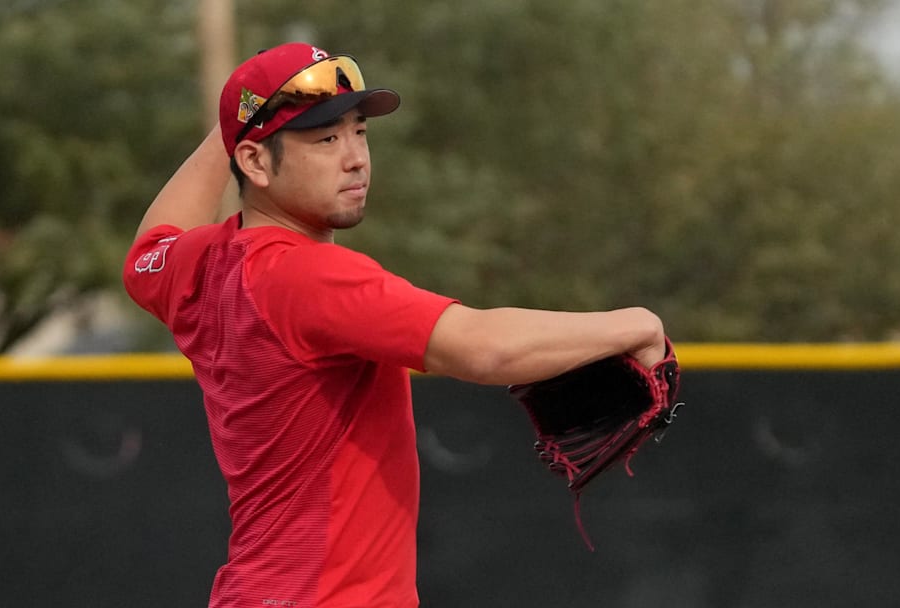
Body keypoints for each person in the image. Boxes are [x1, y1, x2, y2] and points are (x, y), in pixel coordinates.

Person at [123, 41, 666, 608]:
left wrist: (234, 122)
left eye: (360, 131)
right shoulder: (306, 276)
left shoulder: (199, 264)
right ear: (256, 163)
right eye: (326, 139)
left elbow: (147, 250)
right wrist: (639, 325)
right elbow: (483, 349)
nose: (356, 157)